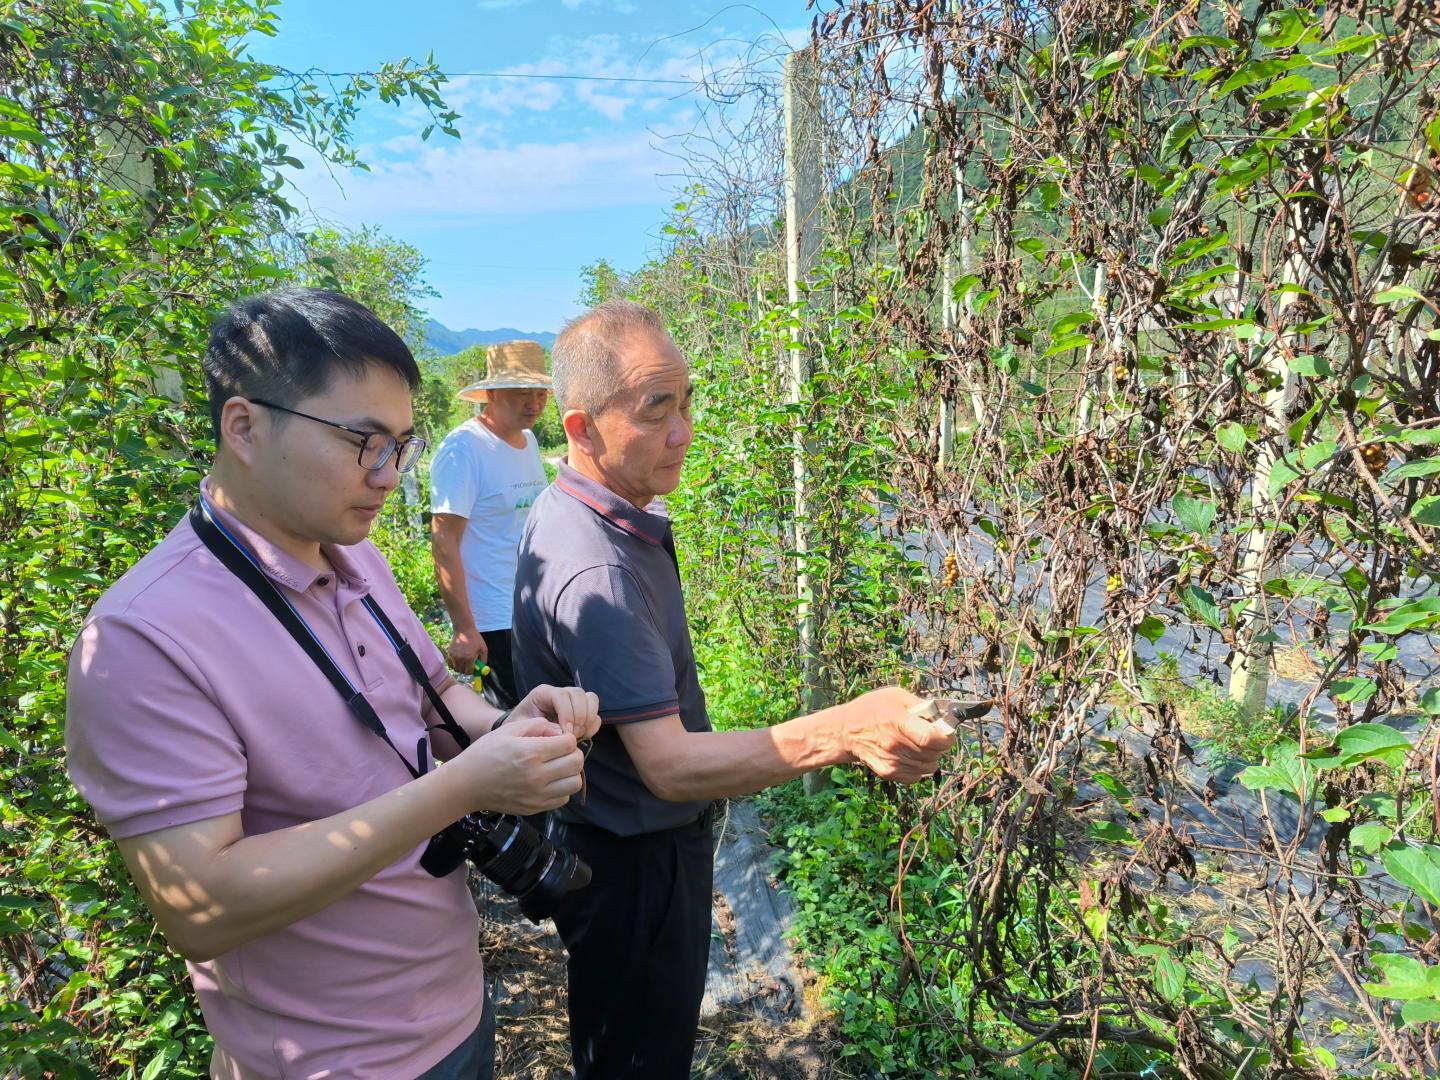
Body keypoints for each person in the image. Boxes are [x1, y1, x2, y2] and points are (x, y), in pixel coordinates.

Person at [65, 289, 599, 1080]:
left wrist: (511, 726)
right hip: (329, 1058)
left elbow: (434, 693)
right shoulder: (144, 636)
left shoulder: (353, 554)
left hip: (453, 1006)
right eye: (363, 442)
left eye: (402, 446)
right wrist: (463, 787)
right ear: (243, 427)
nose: (388, 475)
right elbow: (198, 906)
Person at [511, 299, 956, 1079]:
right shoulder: (599, 571)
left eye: (686, 402)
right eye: (656, 409)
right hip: (637, 864)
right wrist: (848, 730)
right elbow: (670, 766)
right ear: (582, 428)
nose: (683, 431)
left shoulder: (577, 512)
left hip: (605, 842)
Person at [429, 340, 550, 708]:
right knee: (518, 722)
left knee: (552, 715)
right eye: (522, 392)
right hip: (494, 619)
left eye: (540, 392)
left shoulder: (528, 441)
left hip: (536, 608)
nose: (534, 403)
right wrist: (465, 628)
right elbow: (444, 541)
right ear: (492, 394)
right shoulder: (464, 448)